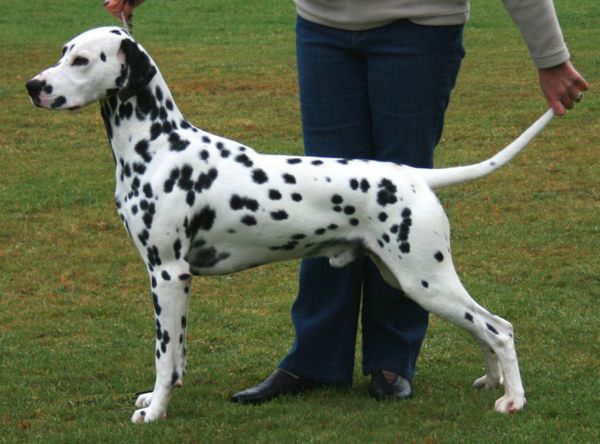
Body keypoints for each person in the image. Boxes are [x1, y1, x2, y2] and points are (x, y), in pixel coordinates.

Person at [104, 0, 589, 403]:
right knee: (313, 207)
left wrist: (549, 54)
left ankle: (392, 363)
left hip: (421, 25)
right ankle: (315, 360)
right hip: (324, 25)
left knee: (398, 214)